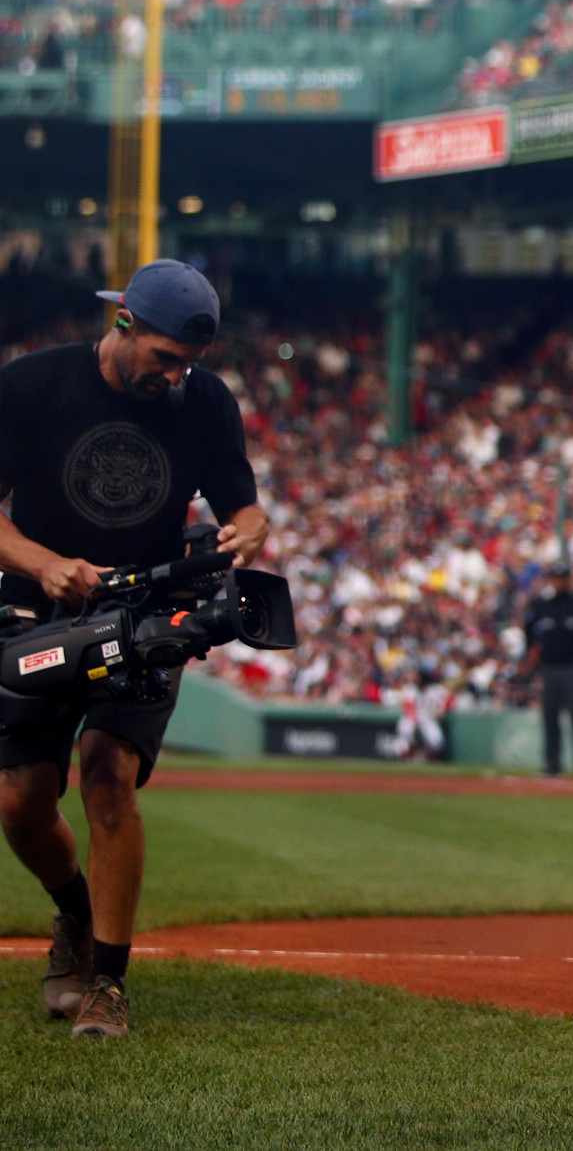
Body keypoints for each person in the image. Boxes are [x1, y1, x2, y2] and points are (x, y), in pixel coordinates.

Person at [0, 261, 268, 1039]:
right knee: (19, 800)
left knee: (108, 776)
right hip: (36, 605)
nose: (175, 375)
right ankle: (75, 916)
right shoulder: (30, 386)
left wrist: (252, 524)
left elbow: (241, 503)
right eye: (164, 358)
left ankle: (108, 985)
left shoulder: (205, 402)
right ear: (123, 324)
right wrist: (44, 562)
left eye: (188, 363)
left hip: (147, 612)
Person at [522, 561, 573, 778]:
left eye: (562, 577)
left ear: (568, 579)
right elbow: (528, 628)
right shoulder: (542, 605)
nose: (559, 582)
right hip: (549, 667)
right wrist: (531, 649)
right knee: (549, 718)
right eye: (555, 577)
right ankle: (552, 766)